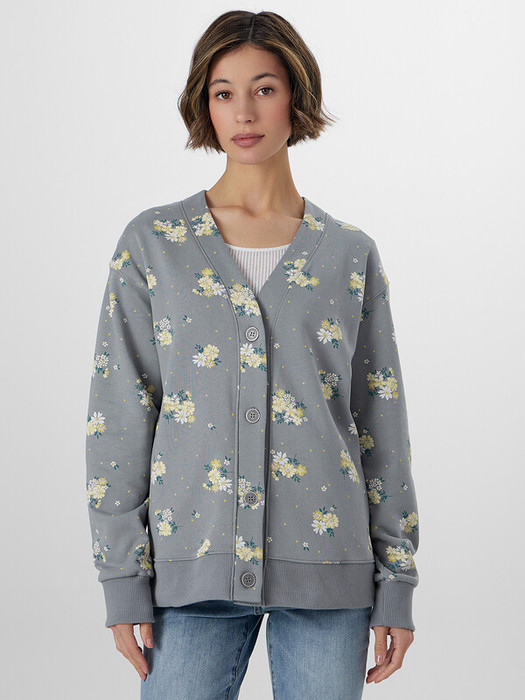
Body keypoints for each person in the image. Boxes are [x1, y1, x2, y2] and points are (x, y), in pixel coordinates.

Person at [85, 10, 420, 699]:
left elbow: (379, 425)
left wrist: (397, 580)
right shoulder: (154, 244)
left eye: (264, 89)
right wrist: (122, 575)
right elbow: (119, 416)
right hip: (191, 567)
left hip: (330, 568)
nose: (243, 112)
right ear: (203, 106)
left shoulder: (348, 253)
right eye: (223, 92)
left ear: (296, 95)